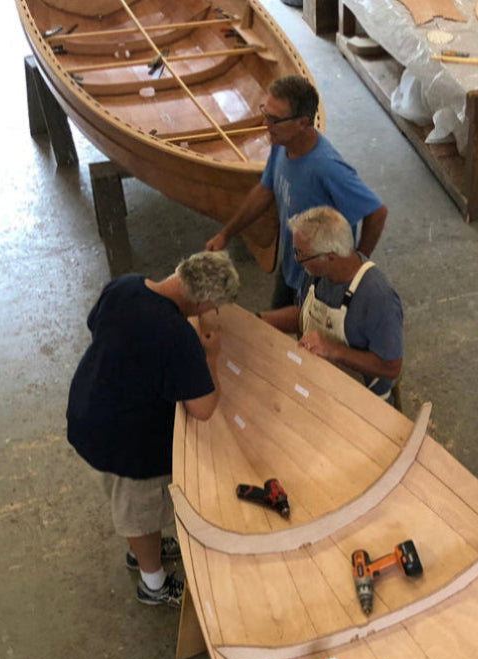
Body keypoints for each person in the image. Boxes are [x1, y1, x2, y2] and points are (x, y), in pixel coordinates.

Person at [67, 251, 239, 607]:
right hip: (126, 444)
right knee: (140, 513)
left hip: (88, 409)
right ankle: (153, 584)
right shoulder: (178, 337)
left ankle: (145, 551)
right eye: (214, 307)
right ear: (201, 302)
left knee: (135, 507)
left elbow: (95, 325)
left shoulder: (124, 286)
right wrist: (211, 356)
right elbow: (203, 409)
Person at [205, 76, 387, 310]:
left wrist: (356, 268)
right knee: (279, 317)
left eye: (274, 119)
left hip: (322, 281)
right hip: (293, 265)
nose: (266, 124)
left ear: (302, 123)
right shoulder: (281, 145)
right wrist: (226, 233)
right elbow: (265, 190)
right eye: (265, 113)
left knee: (302, 330)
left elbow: (377, 212)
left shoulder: (327, 167)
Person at [260, 206, 403, 399]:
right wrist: (261, 320)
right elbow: (303, 315)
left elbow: (391, 367)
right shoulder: (316, 273)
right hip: (319, 379)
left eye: (301, 254)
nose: (296, 259)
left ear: (330, 257)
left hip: (361, 398)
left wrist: (332, 350)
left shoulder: (378, 297)